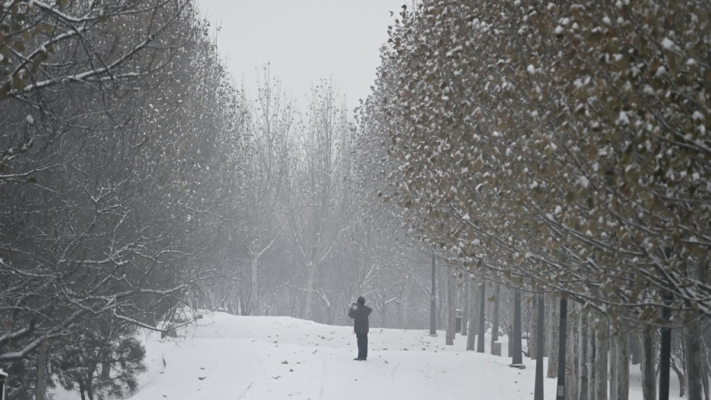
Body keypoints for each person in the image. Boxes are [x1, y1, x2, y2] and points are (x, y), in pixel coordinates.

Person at [347, 296, 372, 361]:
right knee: (364, 342)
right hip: (365, 329)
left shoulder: (357, 311)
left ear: (358, 303)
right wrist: (362, 306)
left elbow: (350, 314)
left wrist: (352, 307)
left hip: (358, 329)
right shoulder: (366, 310)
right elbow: (370, 309)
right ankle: (364, 356)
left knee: (360, 343)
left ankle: (360, 356)